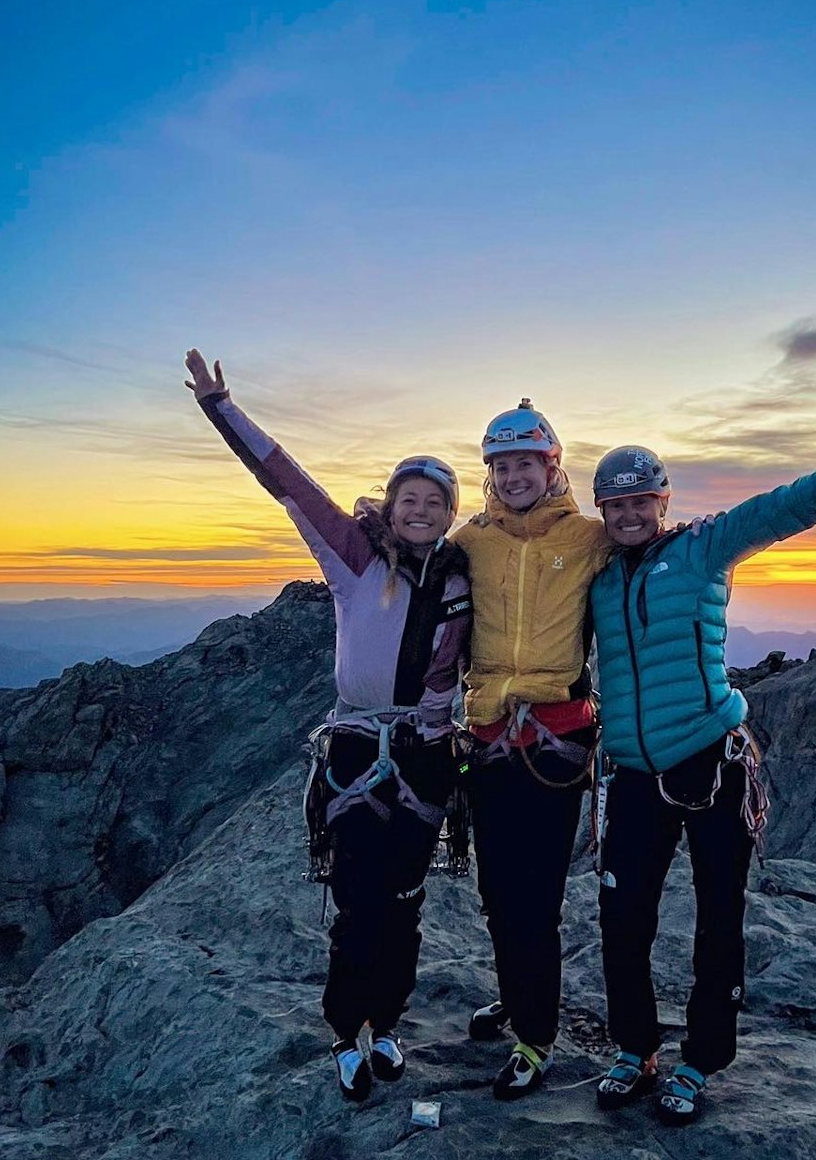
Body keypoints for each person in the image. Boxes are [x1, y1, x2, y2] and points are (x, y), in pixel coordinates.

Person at [588, 398, 816, 1126]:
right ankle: (635, 1048)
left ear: (664, 502)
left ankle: (699, 1060)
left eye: (640, 502)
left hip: (713, 764)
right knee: (623, 918)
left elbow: (796, 503)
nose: (628, 515)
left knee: (720, 918)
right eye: (614, 505)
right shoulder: (596, 579)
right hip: (631, 774)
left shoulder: (706, 547)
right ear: (601, 509)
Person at [183, 349, 472, 1104]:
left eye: (434, 504)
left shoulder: (463, 576)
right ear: (392, 502)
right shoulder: (352, 556)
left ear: (449, 514)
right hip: (357, 752)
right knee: (357, 902)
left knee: (405, 903)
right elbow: (287, 480)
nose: (420, 511)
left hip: (426, 753)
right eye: (410, 499)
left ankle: (389, 1023)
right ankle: (349, 1032)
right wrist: (222, 408)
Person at [452, 398, 613, 1099]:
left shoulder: (588, 538)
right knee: (495, 890)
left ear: (553, 467)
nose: (514, 475)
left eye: (527, 462)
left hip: (555, 743)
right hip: (488, 737)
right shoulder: (471, 541)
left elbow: (648, 545)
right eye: (501, 465)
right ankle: (517, 997)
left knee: (535, 895)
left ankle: (535, 1036)